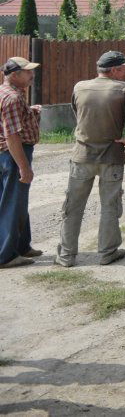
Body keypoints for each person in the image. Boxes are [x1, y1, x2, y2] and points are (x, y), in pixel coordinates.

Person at [55, 51, 125, 268]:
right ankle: (107, 252)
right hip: (111, 156)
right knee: (110, 205)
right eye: (122, 69)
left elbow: (77, 113)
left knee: (73, 206)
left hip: (82, 155)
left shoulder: (79, 87)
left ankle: (66, 255)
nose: (124, 72)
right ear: (113, 70)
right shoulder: (124, 89)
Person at [0, 57, 42, 268]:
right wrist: (24, 167)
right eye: (27, 72)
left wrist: (30, 112)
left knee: (16, 202)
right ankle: (5, 255)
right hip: (14, 154)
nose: (31, 75)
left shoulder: (7, 93)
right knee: (13, 204)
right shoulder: (13, 99)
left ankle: (22, 246)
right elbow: (12, 136)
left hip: (6, 154)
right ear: (15, 75)